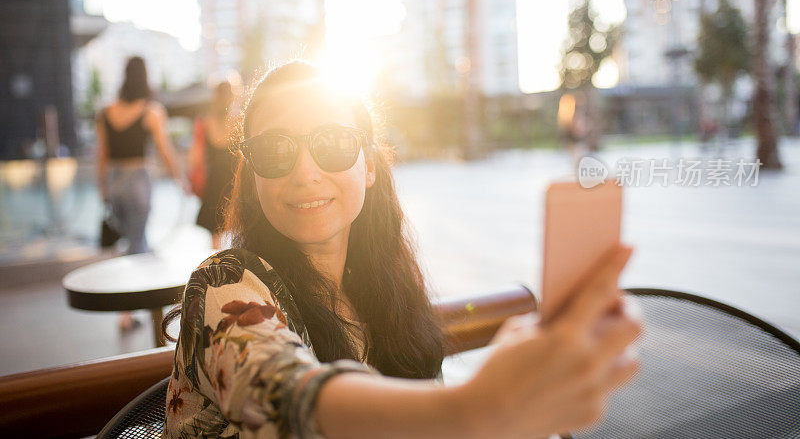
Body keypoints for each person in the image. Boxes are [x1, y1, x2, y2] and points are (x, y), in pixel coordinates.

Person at [163, 60, 641, 438]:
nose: (305, 171)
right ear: (252, 180)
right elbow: (281, 394)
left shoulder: (383, 289)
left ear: (368, 167)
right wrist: (479, 409)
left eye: (331, 142)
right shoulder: (222, 284)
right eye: (275, 149)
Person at [96, 56, 186, 331]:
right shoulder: (151, 111)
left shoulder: (105, 112)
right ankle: (130, 311)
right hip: (138, 180)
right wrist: (180, 178)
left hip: (114, 180)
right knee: (137, 245)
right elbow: (164, 149)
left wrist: (103, 189)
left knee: (131, 242)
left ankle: (137, 308)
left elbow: (102, 155)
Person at [190, 81, 237, 249]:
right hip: (236, 180)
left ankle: (217, 270)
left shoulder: (205, 122)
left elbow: (196, 157)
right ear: (233, 95)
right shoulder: (239, 120)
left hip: (214, 182)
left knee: (215, 237)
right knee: (240, 230)